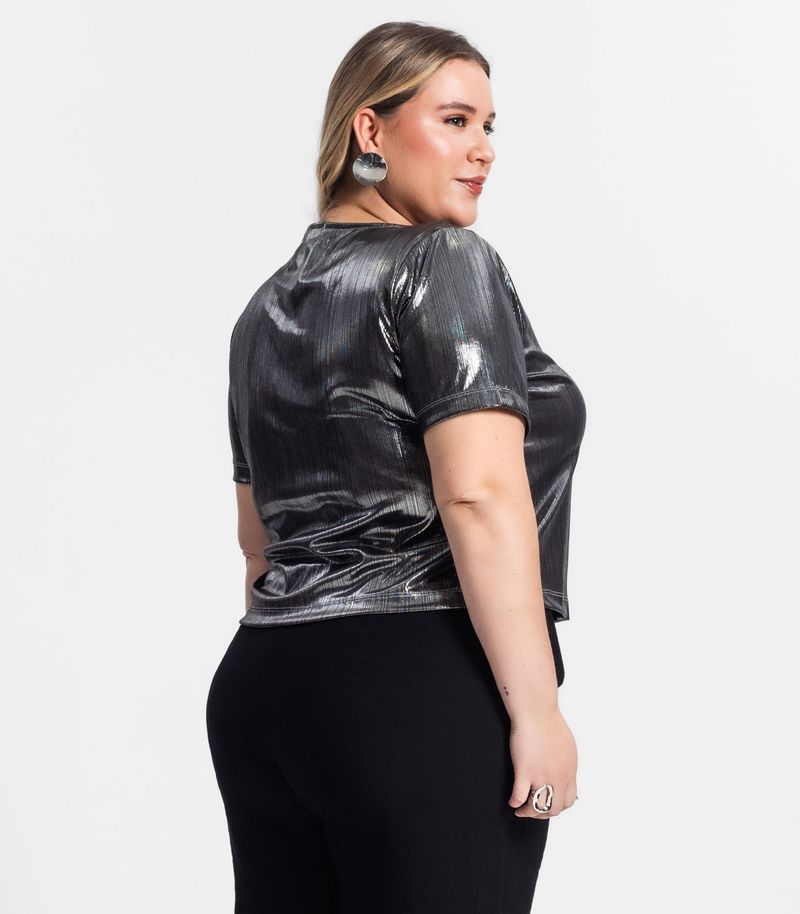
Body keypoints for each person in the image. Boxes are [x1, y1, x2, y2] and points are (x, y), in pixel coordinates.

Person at [206, 20, 586, 914]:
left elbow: (256, 542)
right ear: (369, 130)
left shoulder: (264, 309)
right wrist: (536, 711)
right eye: (454, 120)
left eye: (489, 126)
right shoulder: (443, 262)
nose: (483, 149)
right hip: (414, 684)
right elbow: (479, 493)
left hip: (263, 688)